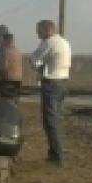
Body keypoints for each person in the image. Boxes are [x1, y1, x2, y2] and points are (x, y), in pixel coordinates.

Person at [28, 20, 71, 165]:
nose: (37, 33)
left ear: (47, 30)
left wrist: (33, 62)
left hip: (52, 83)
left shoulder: (49, 43)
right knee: (55, 119)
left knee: (50, 121)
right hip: (64, 82)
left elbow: (35, 60)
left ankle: (57, 156)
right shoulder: (64, 42)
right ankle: (54, 152)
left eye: (38, 30)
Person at [0, 33, 23, 101]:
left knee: (3, 101)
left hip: (6, 80)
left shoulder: (5, 52)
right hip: (18, 80)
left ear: (5, 41)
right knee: (15, 100)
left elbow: (4, 67)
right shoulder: (18, 51)